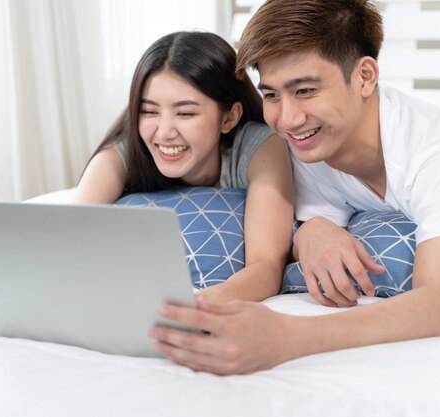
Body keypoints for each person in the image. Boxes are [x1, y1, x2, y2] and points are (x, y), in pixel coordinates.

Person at [148, 0, 440, 375]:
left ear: (365, 76)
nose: (287, 119)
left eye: (305, 90)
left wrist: (284, 336)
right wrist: (312, 232)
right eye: (271, 94)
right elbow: (302, 225)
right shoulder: (307, 144)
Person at [74, 31, 294, 304]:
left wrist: (193, 307)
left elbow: (266, 267)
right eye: (149, 111)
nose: (164, 132)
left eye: (185, 113)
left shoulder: (260, 148)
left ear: (229, 117)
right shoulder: (120, 155)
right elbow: (71, 240)